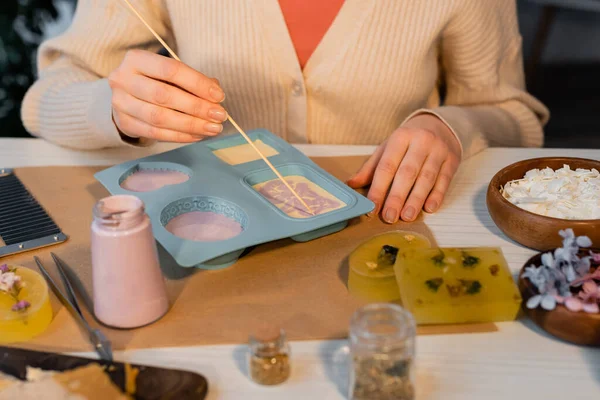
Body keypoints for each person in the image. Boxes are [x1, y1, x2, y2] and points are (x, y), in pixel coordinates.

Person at [21, 0, 549, 224]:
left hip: (390, 226)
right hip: (208, 224)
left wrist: (451, 127)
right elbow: (47, 95)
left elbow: (513, 114)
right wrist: (110, 107)